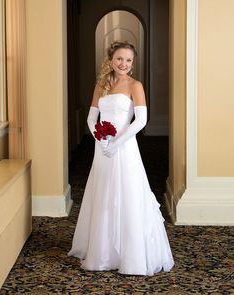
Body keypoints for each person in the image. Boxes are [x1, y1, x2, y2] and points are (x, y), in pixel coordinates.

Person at [68, 41, 174, 275]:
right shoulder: (101, 85)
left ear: (132, 63)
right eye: (119, 59)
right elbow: (91, 117)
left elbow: (141, 121)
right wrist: (100, 139)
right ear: (110, 60)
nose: (123, 64)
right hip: (102, 147)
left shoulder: (135, 85)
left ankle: (130, 254)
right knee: (104, 192)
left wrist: (117, 142)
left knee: (126, 193)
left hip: (124, 146)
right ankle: (103, 251)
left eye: (128, 60)